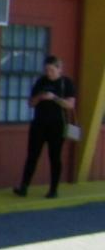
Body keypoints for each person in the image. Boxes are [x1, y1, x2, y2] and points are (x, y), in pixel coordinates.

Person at [13, 55, 76, 199]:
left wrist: (53, 97)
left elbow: (70, 105)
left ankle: (53, 189)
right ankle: (24, 187)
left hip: (57, 125)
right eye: (47, 70)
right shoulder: (41, 82)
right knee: (32, 156)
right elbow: (30, 103)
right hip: (39, 124)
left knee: (54, 157)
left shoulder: (66, 83)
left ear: (59, 69)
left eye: (52, 70)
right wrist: (40, 97)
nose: (49, 73)